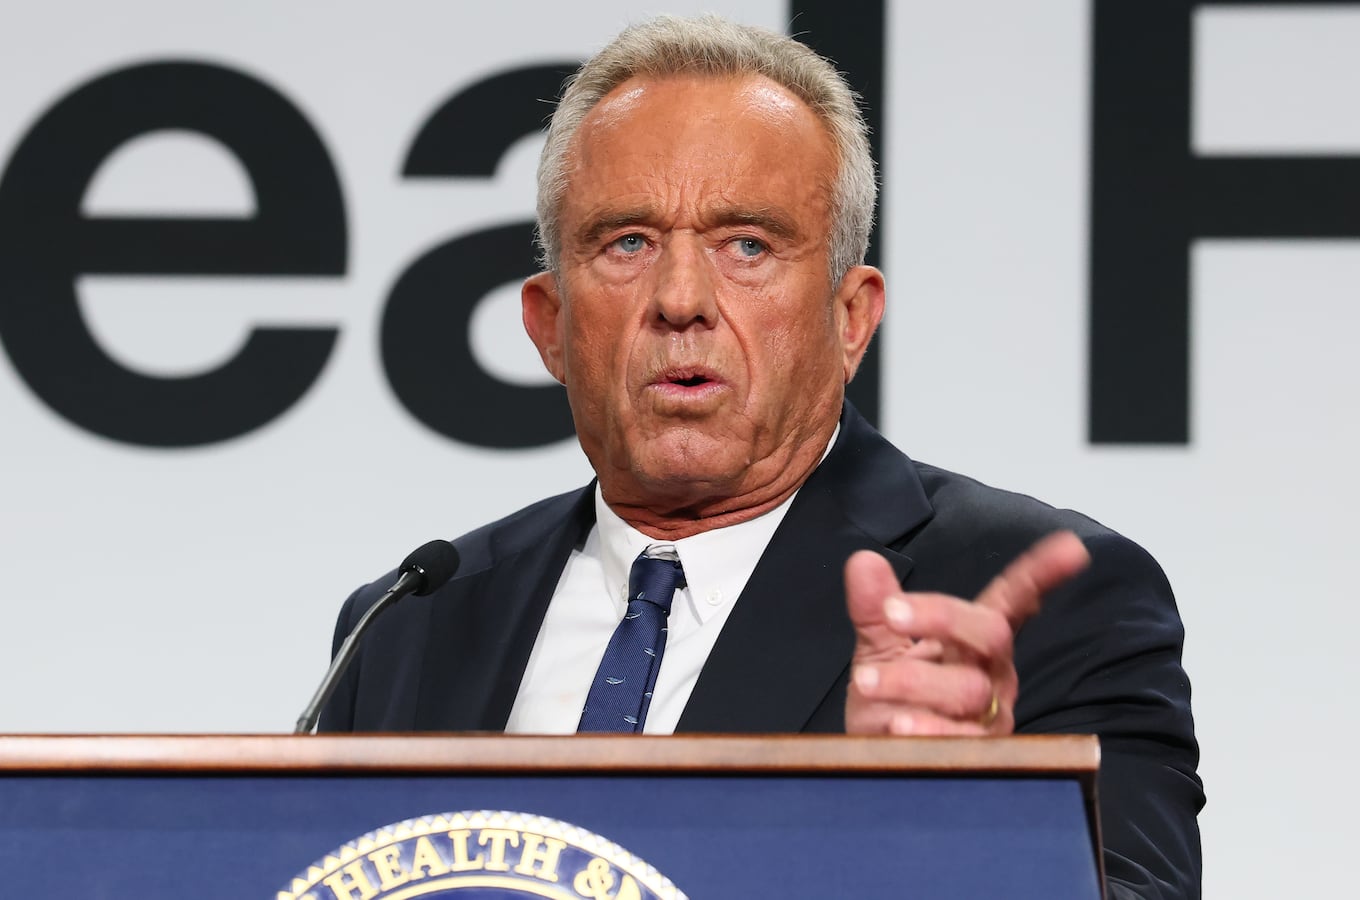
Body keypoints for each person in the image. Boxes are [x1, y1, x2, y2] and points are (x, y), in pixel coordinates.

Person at [320, 15, 1201, 899]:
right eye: (628, 242)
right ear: (549, 325)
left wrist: (965, 822)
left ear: (850, 319)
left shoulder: (1033, 607)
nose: (680, 299)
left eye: (747, 244)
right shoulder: (408, 626)